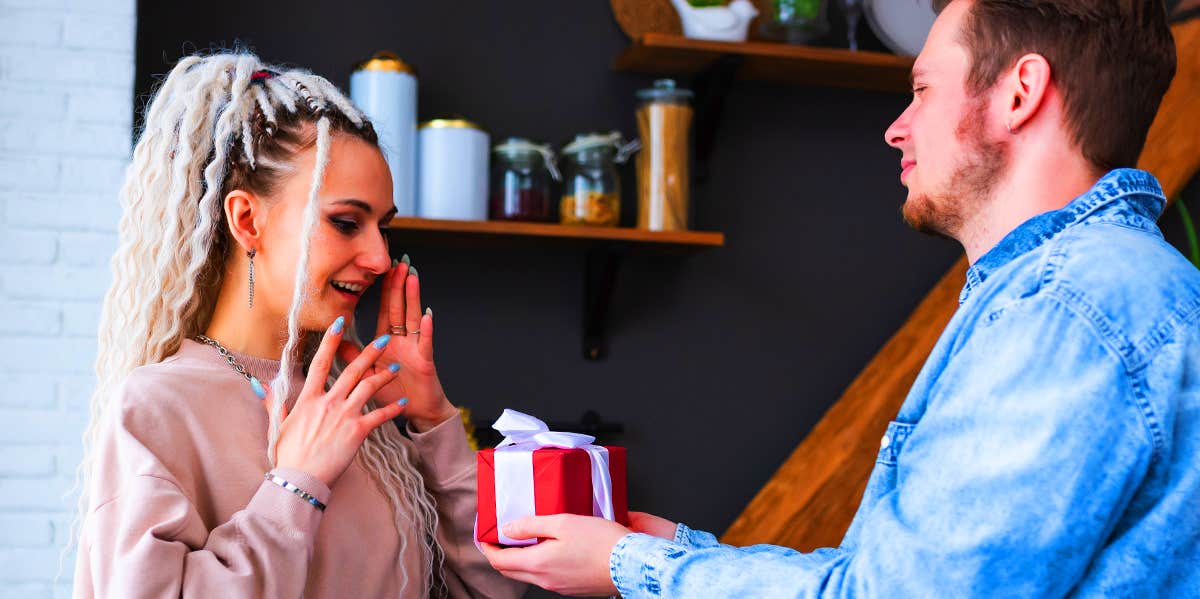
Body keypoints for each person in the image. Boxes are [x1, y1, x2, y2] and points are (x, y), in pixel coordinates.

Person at [482, 1, 1200, 596]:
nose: (897, 127)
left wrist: (628, 566)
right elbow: (891, 578)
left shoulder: (1070, 304)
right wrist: (674, 549)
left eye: (922, 90)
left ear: (1020, 91)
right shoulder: (1087, 290)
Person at [71, 52, 523, 598]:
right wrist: (295, 488)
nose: (380, 258)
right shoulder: (157, 407)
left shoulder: (354, 398)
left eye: (383, 227)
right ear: (247, 220)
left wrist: (430, 418)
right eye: (346, 223)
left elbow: (492, 589)